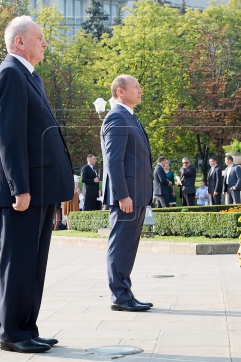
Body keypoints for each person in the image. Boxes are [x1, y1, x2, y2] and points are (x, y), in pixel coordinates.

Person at [0, 15, 74, 354]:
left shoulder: (27, 75)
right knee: (18, 263)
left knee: (33, 264)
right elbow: (9, 137)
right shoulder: (10, 74)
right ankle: (12, 332)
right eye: (40, 38)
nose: (45, 43)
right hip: (21, 192)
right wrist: (18, 186)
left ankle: (27, 327)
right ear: (19, 41)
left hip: (38, 189)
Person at [101, 74, 153, 312]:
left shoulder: (129, 117)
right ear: (120, 91)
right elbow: (114, 161)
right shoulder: (117, 117)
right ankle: (120, 296)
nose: (140, 90)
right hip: (127, 197)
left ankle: (125, 292)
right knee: (121, 244)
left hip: (136, 194)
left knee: (128, 246)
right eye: (136, 87)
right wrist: (122, 195)